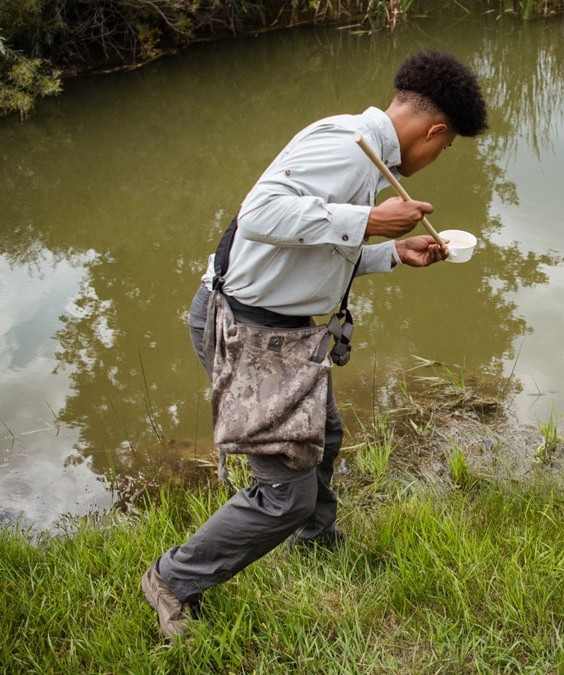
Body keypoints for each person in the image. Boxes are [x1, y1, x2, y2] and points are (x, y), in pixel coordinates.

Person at [141, 49, 488, 639]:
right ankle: (174, 579)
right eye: (446, 145)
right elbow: (261, 215)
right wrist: (372, 223)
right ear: (433, 131)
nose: (438, 155)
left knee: (323, 435)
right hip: (247, 332)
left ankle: (318, 541)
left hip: (286, 332)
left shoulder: (365, 155)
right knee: (284, 495)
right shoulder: (345, 144)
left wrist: (391, 252)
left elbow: (310, 248)